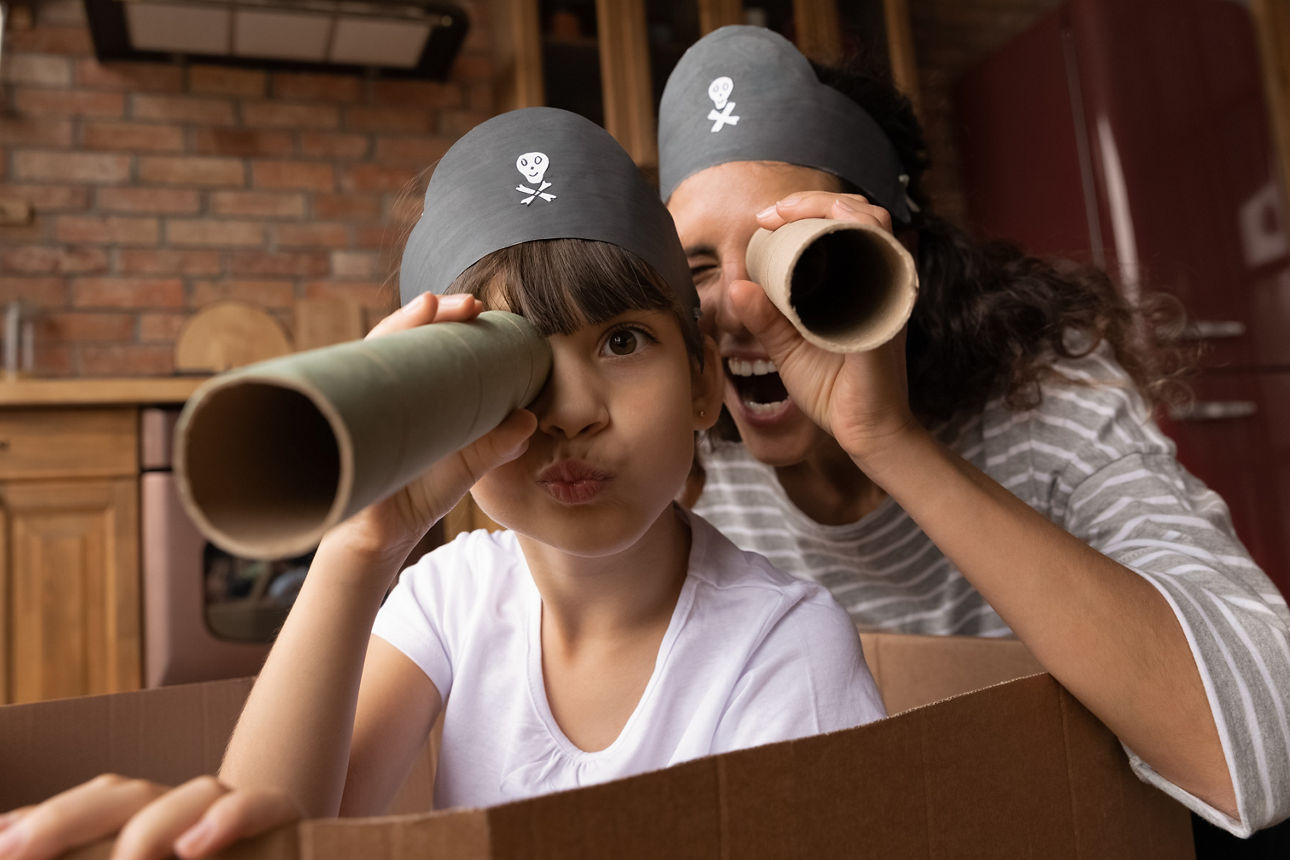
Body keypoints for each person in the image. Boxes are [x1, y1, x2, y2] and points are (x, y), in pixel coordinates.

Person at [0, 107, 884, 860]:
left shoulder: (783, 647)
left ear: (701, 384)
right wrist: (361, 542)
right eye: (514, 362)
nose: (572, 411)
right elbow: (277, 830)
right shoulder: (451, 599)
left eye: (621, 341)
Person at [656, 25, 1290, 838]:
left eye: (787, 256)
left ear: (893, 250)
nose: (741, 311)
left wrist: (887, 438)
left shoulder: (1044, 398)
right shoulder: (692, 459)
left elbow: (1260, 748)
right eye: (698, 270)